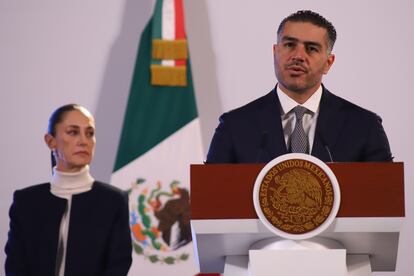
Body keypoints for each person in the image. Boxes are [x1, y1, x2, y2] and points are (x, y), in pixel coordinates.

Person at [206, 10, 392, 163]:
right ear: (275, 52)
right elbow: (211, 199)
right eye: (289, 45)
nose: (298, 56)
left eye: (311, 48)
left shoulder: (364, 126)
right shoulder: (235, 126)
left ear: (328, 63)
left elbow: (385, 199)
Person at [5, 104, 132, 276]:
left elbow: (118, 265)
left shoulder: (113, 201)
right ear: (51, 141)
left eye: (90, 133)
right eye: (73, 132)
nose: (83, 141)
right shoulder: (26, 202)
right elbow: (16, 267)